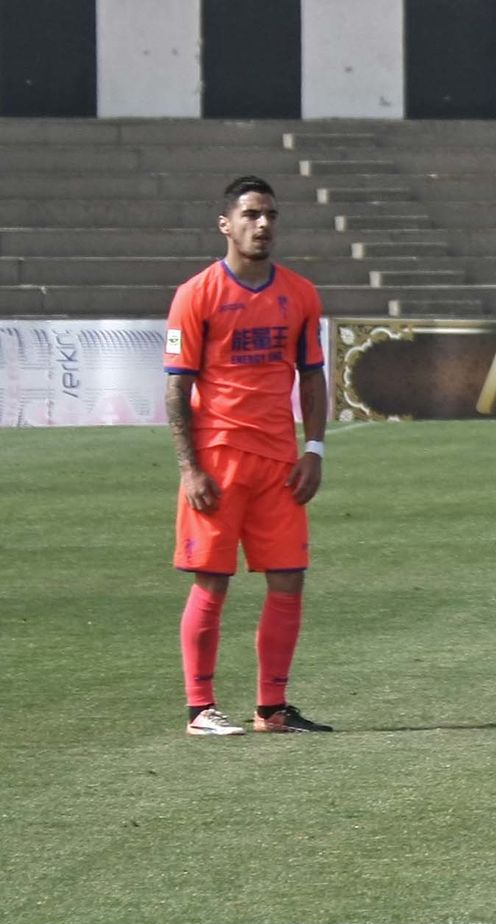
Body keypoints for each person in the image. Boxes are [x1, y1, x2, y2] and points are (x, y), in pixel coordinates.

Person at [164, 175, 333, 735]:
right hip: (218, 460)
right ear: (226, 223)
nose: (262, 225)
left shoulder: (300, 294)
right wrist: (190, 468)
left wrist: (313, 448)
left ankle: (272, 710)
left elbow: (312, 376)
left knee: (289, 578)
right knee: (212, 582)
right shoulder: (196, 295)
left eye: (270, 216)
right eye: (251, 215)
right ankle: (199, 709)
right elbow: (175, 389)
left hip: (280, 464)